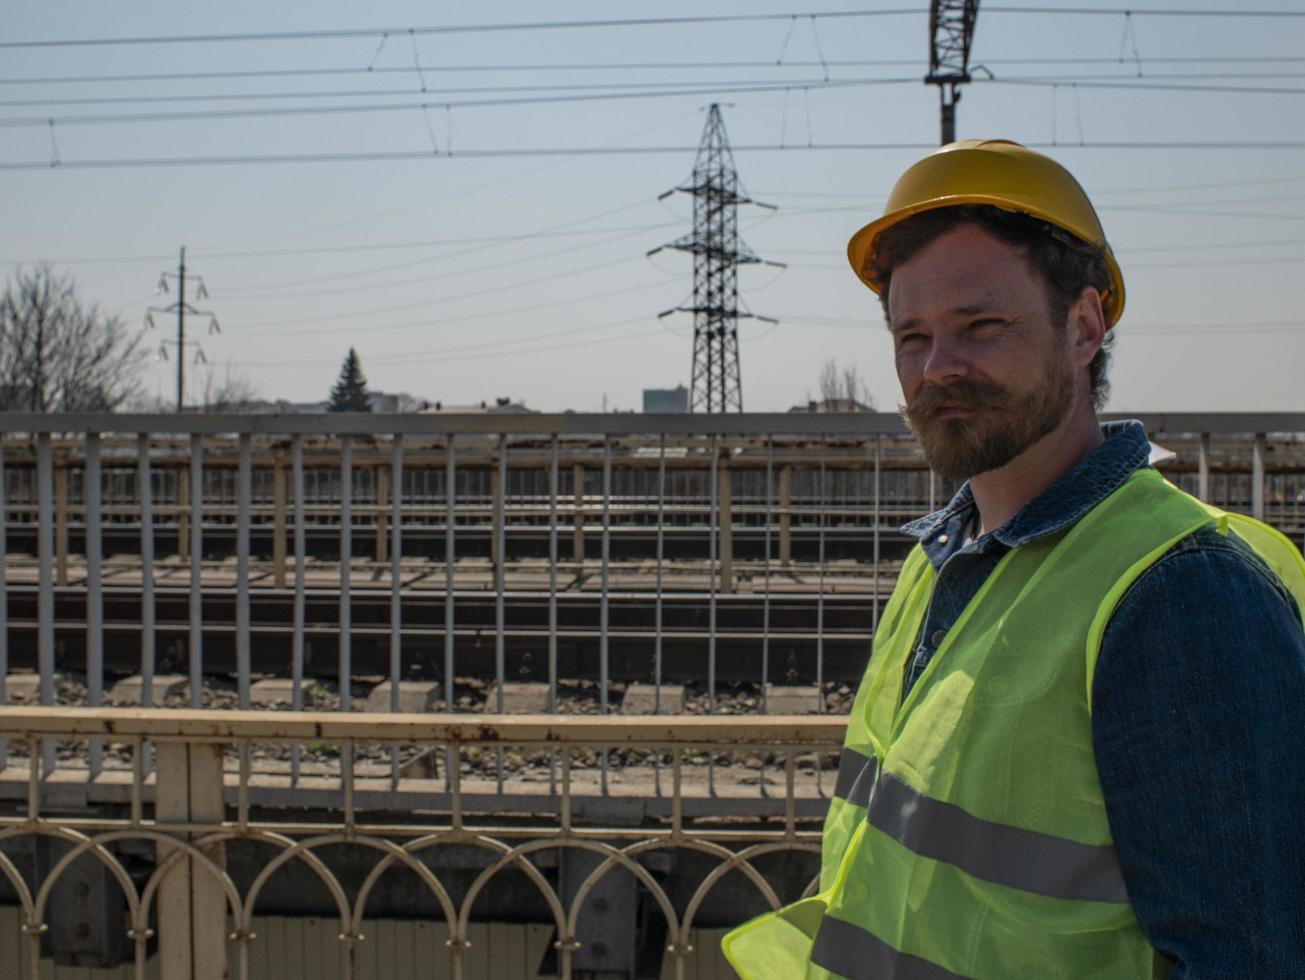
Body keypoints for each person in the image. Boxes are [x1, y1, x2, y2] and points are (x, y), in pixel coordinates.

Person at [722, 140, 1305, 978]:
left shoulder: (1180, 591)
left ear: (1084, 325)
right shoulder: (940, 556)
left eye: (980, 326)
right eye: (910, 337)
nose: (936, 369)